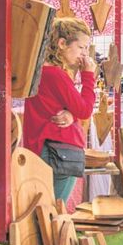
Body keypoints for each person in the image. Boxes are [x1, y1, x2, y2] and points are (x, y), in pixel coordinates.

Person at [24, 17, 97, 202]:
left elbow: (64, 107)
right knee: (53, 210)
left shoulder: (40, 70)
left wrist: (72, 115)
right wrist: (88, 75)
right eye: (81, 47)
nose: (84, 54)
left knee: (43, 207)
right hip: (58, 152)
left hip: (44, 149)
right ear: (62, 43)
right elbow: (86, 110)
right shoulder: (55, 74)